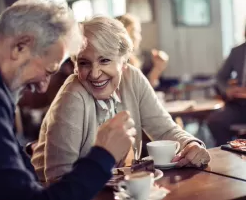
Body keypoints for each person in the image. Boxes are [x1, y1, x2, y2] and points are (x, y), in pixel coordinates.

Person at [0, 0, 136, 200]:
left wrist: (18, 154)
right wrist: (103, 155)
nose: (43, 87)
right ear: (21, 47)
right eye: (48, 70)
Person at [31, 16, 211, 183]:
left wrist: (191, 144)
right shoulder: (72, 95)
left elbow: (164, 130)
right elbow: (58, 178)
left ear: (124, 62)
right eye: (84, 63)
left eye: (104, 60)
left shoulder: (133, 78)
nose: (94, 74)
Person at [207, 27, 246, 146]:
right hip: (239, 105)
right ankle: (228, 153)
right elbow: (219, 78)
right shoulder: (237, 51)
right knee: (215, 121)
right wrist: (228, 90)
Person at [115, 13, 169, 88]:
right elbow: (138, 93)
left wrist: (157, 68)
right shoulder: (122, 63)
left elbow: (142, 92)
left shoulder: (132, 60)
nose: (139, 37)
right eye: (136, 32)